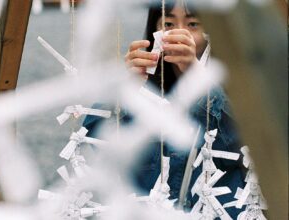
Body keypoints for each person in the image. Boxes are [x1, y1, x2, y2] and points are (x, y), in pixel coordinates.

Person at [83, 0, 245, 218]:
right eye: (168, 24)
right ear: (154, 31)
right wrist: (123, 90)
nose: (179, 33)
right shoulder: (142, 91)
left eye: (193, 24)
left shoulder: (242, 87)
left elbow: (243, 149)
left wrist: (197, 79)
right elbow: (94, 145)